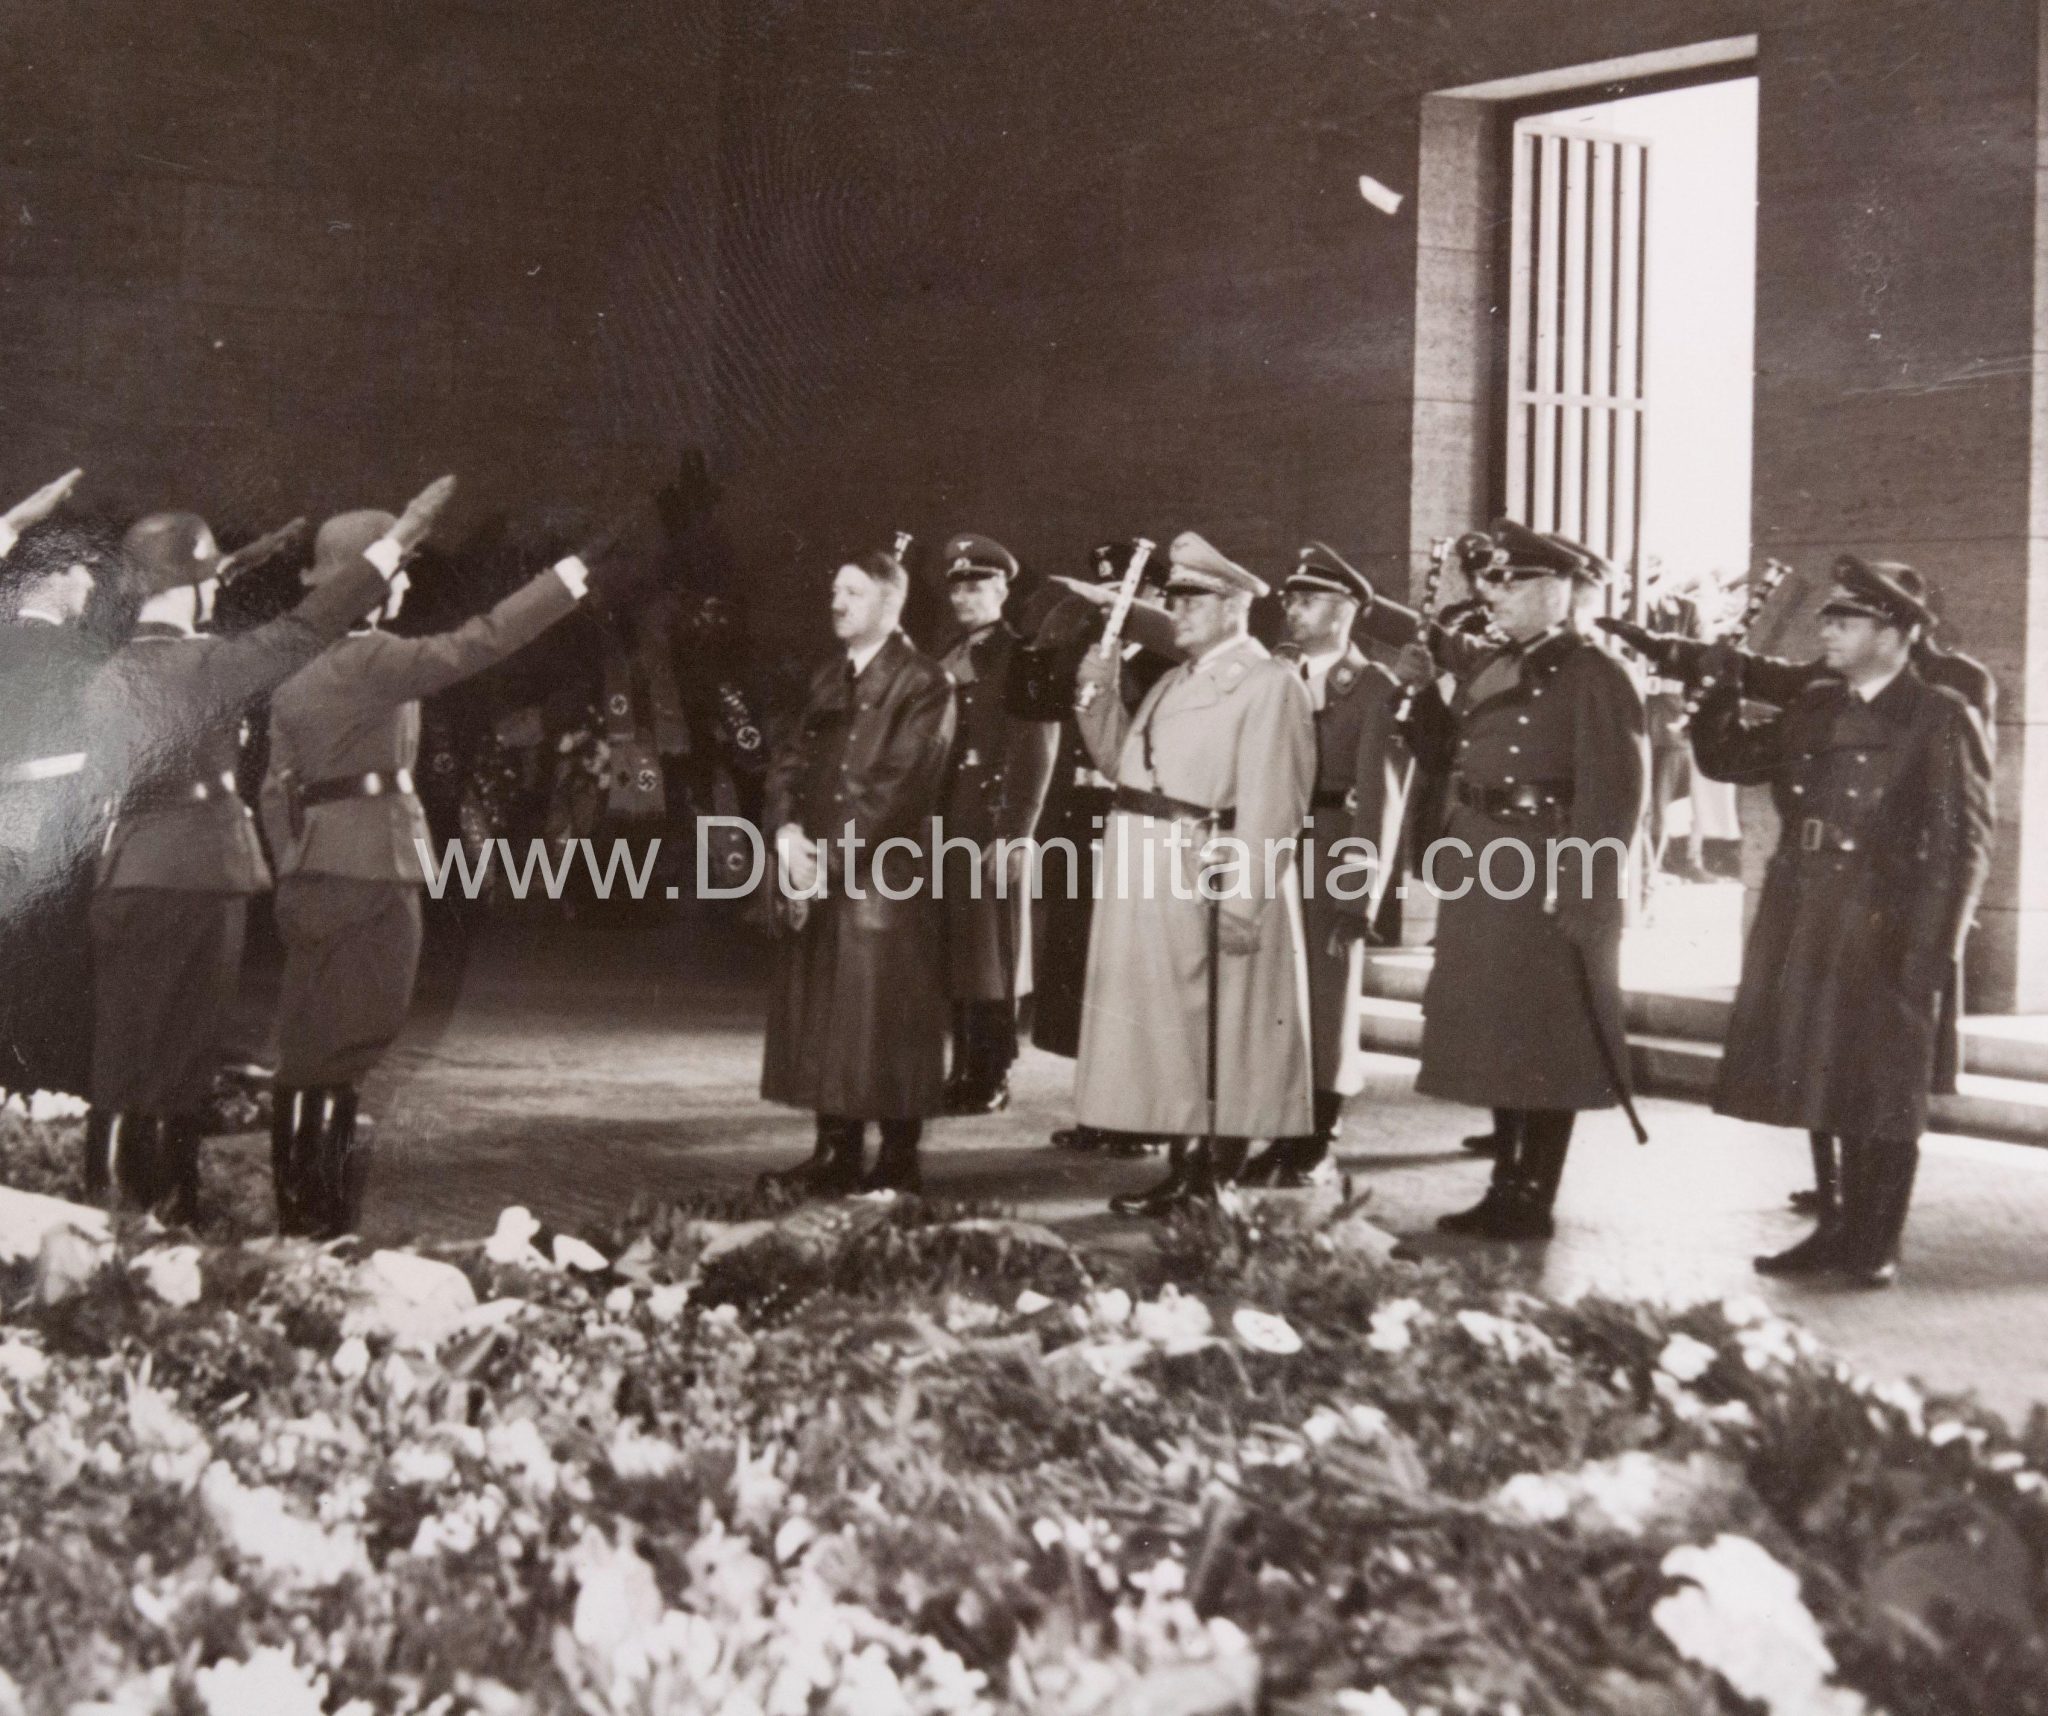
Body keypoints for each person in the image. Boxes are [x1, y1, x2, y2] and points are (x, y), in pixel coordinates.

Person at [79, 480, 452, 1219]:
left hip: (126, 874)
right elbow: (309, 625)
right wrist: (393, 541)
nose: (217, 596)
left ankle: (117, 1235)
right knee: (178, 1070)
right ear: (189, 588)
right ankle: (162, 1230)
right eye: (210, 582)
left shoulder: (110, 673)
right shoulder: (206, 668)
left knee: (125, 1069)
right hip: (197, 877)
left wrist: (243, 558)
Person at [1599, 559, 1996, 1228]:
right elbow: (1730, 760)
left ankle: (1872, 1242)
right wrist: (1717, 688)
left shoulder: (1941, 712)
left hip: (1886, 915)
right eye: (1827, 617)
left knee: (1883, 1083)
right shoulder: (1816, 705)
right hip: (1807, 908)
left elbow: (1964, 846)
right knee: (1819, 1067)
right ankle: (1835, 1225)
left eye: (1846, 619)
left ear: (1897, 628)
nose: (1827, 630)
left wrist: (1937, 948)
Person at [258, 511, 614, 1238]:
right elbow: (479, 641)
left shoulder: (294, 664)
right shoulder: (371, 659)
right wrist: (564, 582)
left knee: (312, 1051)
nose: (409, 582)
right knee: (343, 1052)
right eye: (398, 570)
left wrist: (293, 863)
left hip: (317, 865)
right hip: (372, 867)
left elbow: (274, 788)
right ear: (369, 585)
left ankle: (306, 1223)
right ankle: (316, 1231)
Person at [1389, 520, 1647, 1241]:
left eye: (1513, 582)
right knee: (1500, 1026)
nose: (1493, 594)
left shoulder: (1597, 673)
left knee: (1546, 1029)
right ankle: (1506, 1181)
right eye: (1493, 581)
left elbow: (1616, 793)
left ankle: (1534, 1193)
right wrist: (1418, 696)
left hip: (1543, 863)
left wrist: (1588, 892)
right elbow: (1450, 754)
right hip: (1484, 860)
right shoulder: (1496, 665)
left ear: (1560, 591)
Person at [1071, 530, 1316, 1216]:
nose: (1176, 611)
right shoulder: (1178, 680)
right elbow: (1128, 768)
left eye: (1193, 600)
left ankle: (1213, 1174)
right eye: (1174, 598)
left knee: (1222, 1025)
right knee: (1172, 1023)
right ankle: (1185, 1164)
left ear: (1237, 604)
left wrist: (1245, 902)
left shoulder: (1269, 683)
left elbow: (1274, 802)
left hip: (1205, 871)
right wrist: (1098, 697)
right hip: (1148, 866)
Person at [758, 548, 957, 1195]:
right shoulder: (828, 677)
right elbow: (788, 760)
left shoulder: (926, 683)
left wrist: (827, 861)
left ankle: (898, 1163)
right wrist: (787, 833)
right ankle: (834, 1154)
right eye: (835, 591)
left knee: (889, 1014)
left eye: (853, 593)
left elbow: (900, 786)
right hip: (819, 868)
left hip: (884, 876)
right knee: (824, 1011)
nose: (837, 603)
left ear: (890, 604)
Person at [1240, 541, 1410, 1187]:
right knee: (1272, 995)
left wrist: (1359, 896)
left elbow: (1382, 802)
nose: (1293, 609)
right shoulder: (1272, 673)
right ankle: (1275, 1126)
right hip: (1265, 846)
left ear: (1347, 610)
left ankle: (1316, 1135)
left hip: (1328, 847)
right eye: (1290, 597)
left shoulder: (1373, 688)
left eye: (1309, 598)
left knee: (1325, 995)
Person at [1007, 540, 1179, 1156]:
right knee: (1085, 967)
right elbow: (1027, 701)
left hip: (1142, 819)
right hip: (1086, 817)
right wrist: (1048, 640)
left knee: (1135, 972)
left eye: (1130, 596)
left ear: (1158, 600)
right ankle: (1102, 1106)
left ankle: (1147, 1115)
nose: (1117, 607)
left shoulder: (1167, 665)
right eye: (1107, 597)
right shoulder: (1090, 650)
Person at [932, 533, 1058, 1115]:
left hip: (989, 817)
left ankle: (991, 1071)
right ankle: (962, 1065)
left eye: (978, 585)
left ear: (1004, 589)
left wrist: (1014, 835)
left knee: (992, 949)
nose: (965, 596)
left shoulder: (1026, 657)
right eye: (957, 586)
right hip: (944, 816)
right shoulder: (947, 656)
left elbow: (1037, 751)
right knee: (956, 948)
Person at [0, 471, 106, 1100]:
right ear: (55, 574)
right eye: (82, 570)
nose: (91, 582)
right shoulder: (90, 658)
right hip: (55, 838)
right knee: (51, 976)